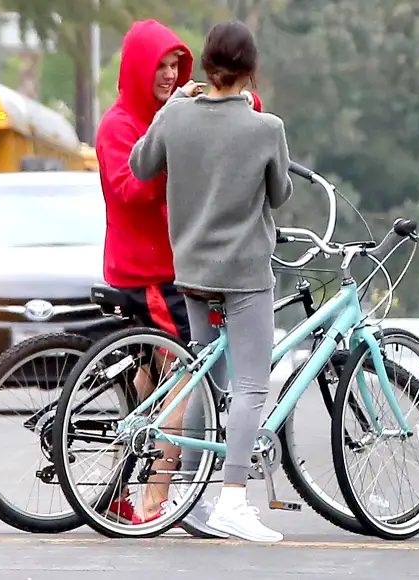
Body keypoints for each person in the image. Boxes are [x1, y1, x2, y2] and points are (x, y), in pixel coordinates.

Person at [95, 19, 262, 537]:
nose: (168, 76)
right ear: (137, 70)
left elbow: (237, 121)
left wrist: (220, 106)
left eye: (176, 66)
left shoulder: (175, 113)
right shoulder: (120, 124)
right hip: (149, 271)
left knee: (149, 384)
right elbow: (128, 188)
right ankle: (158, 497)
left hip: (175, 265)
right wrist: (172, 144)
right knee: (186, 377)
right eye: (159, 67)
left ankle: (122, 491)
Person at [129, 21, 294, 543]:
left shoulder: (177, 116)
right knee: (249, 384)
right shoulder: (266, 128)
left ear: (203, 67)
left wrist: (169, 108)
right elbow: (280, 193)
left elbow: (140, 165)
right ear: (250, 70)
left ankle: (195, 495)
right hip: (245, 275)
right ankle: (232, 498)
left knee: (206, 374)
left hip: (192, 271)